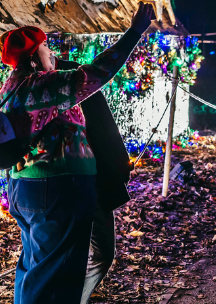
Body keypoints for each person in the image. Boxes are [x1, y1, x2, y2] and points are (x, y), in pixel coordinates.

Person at [0, 2, 155, 304]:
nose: (52, 55)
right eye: (45, 48)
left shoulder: (11, 87)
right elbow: (99, 72)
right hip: (56, 191)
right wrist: (134, 31)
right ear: (33, 57)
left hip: (25, 188)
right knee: (59, 277)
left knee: (36, 270)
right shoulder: (43, 85)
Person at [54, 58, 133, 303]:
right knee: (63, 257)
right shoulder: (30, 86)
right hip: (58, 188)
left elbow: (103, 126)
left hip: (95, 179)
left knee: (103, 253)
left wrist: (118, 165)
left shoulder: (74, 75)